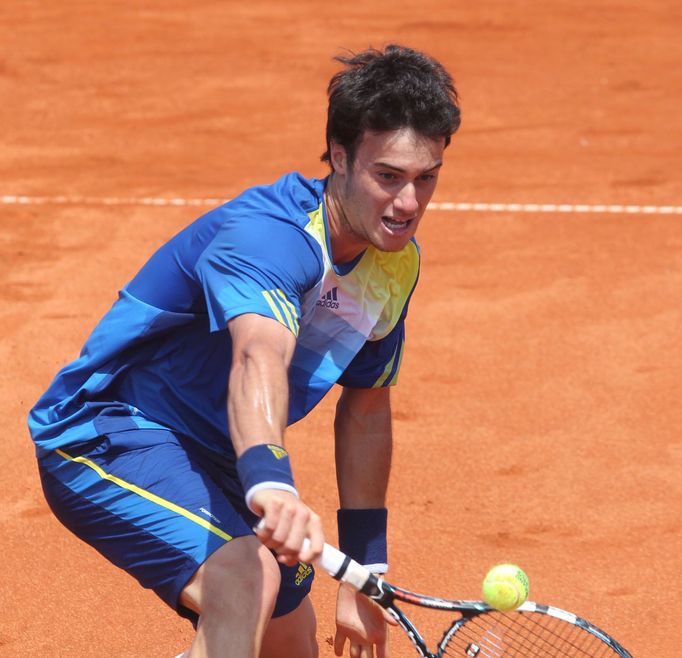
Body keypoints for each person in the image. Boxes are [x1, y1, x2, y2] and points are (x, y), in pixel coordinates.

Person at [28, 44, 461, 658]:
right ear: (339, 157)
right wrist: (272, 486)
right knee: (246, 578)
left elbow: (365, 410)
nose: (409, 205)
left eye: (426, 178)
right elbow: (258, 354)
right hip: (110, 430)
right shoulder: (269, 239)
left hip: (219, 455)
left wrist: (367, 573)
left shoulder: (393, 266)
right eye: (388, 176)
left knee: (290, 646)